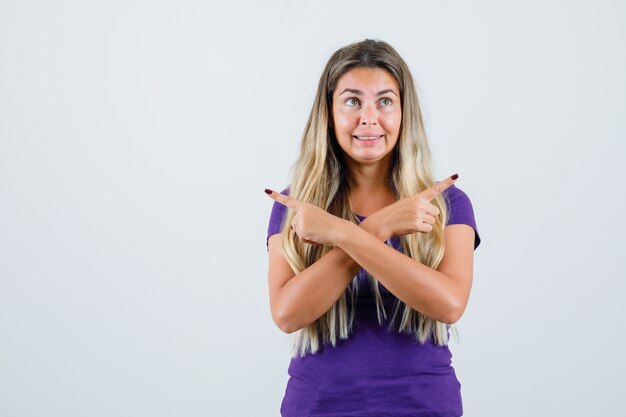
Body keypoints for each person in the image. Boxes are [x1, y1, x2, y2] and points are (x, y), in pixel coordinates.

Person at [264, 39, 481, 417]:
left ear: (403, 112)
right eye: (352, 101)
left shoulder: (447, 202)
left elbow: (449, 305)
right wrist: (382, 226)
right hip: (318, 408)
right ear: (328, 113)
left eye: (384, 101)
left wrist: (344, 233)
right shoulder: (297, 207)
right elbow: (287, 315)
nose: (369, 118)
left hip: (424, 407)